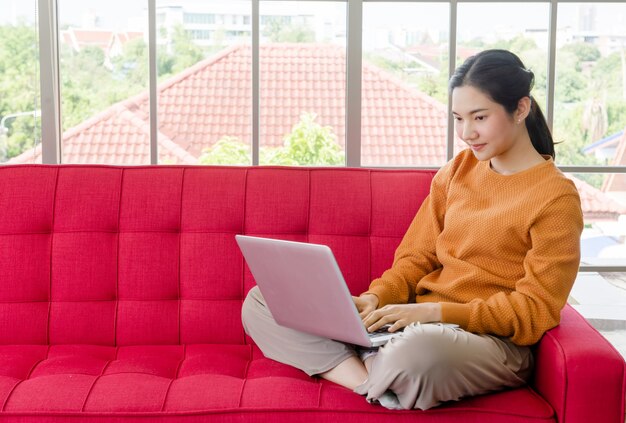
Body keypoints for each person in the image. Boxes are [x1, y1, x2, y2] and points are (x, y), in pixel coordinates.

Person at [241, 49, 583, 410]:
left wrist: (436, 314)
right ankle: (372, 381)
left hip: (486, 342)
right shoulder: (457, 171)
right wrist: (375, 299)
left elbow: (535, 310)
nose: (467, 133)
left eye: (479, 117)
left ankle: (366, 364)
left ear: (521, 108)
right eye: (458, 119)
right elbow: (415, 258)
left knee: (418, 354)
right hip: (413, 326)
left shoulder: (555, 198)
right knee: (260, 301)